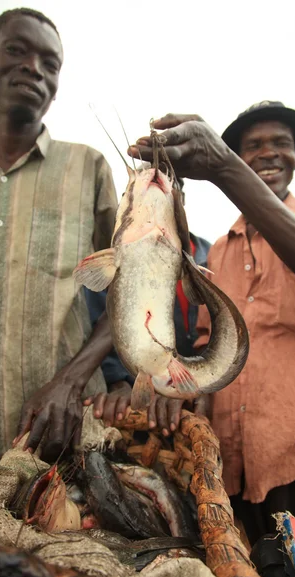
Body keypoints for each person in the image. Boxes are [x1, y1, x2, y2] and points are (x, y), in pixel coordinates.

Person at [127, 104, 295, 544]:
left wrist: (223, 166)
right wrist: (184, 390)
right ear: (239, 155)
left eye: (280, 144)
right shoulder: (218, 250)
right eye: (253, 147)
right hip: (233, 471)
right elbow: (206, 339)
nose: (268, 153)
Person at [0, 8, 118, 470]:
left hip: (62, 440)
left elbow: (130, 290)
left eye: (50, 63)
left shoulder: (87, 168)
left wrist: (71, 381)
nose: (34, 67)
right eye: (16, 50)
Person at [84, 177, 212, 436]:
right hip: (134, 404)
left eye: (166, 189)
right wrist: (119, 383)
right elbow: (99, 322)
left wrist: (198, 388)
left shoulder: (212, 256)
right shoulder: (109, 260)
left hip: (196, 404)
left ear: (181, 201)